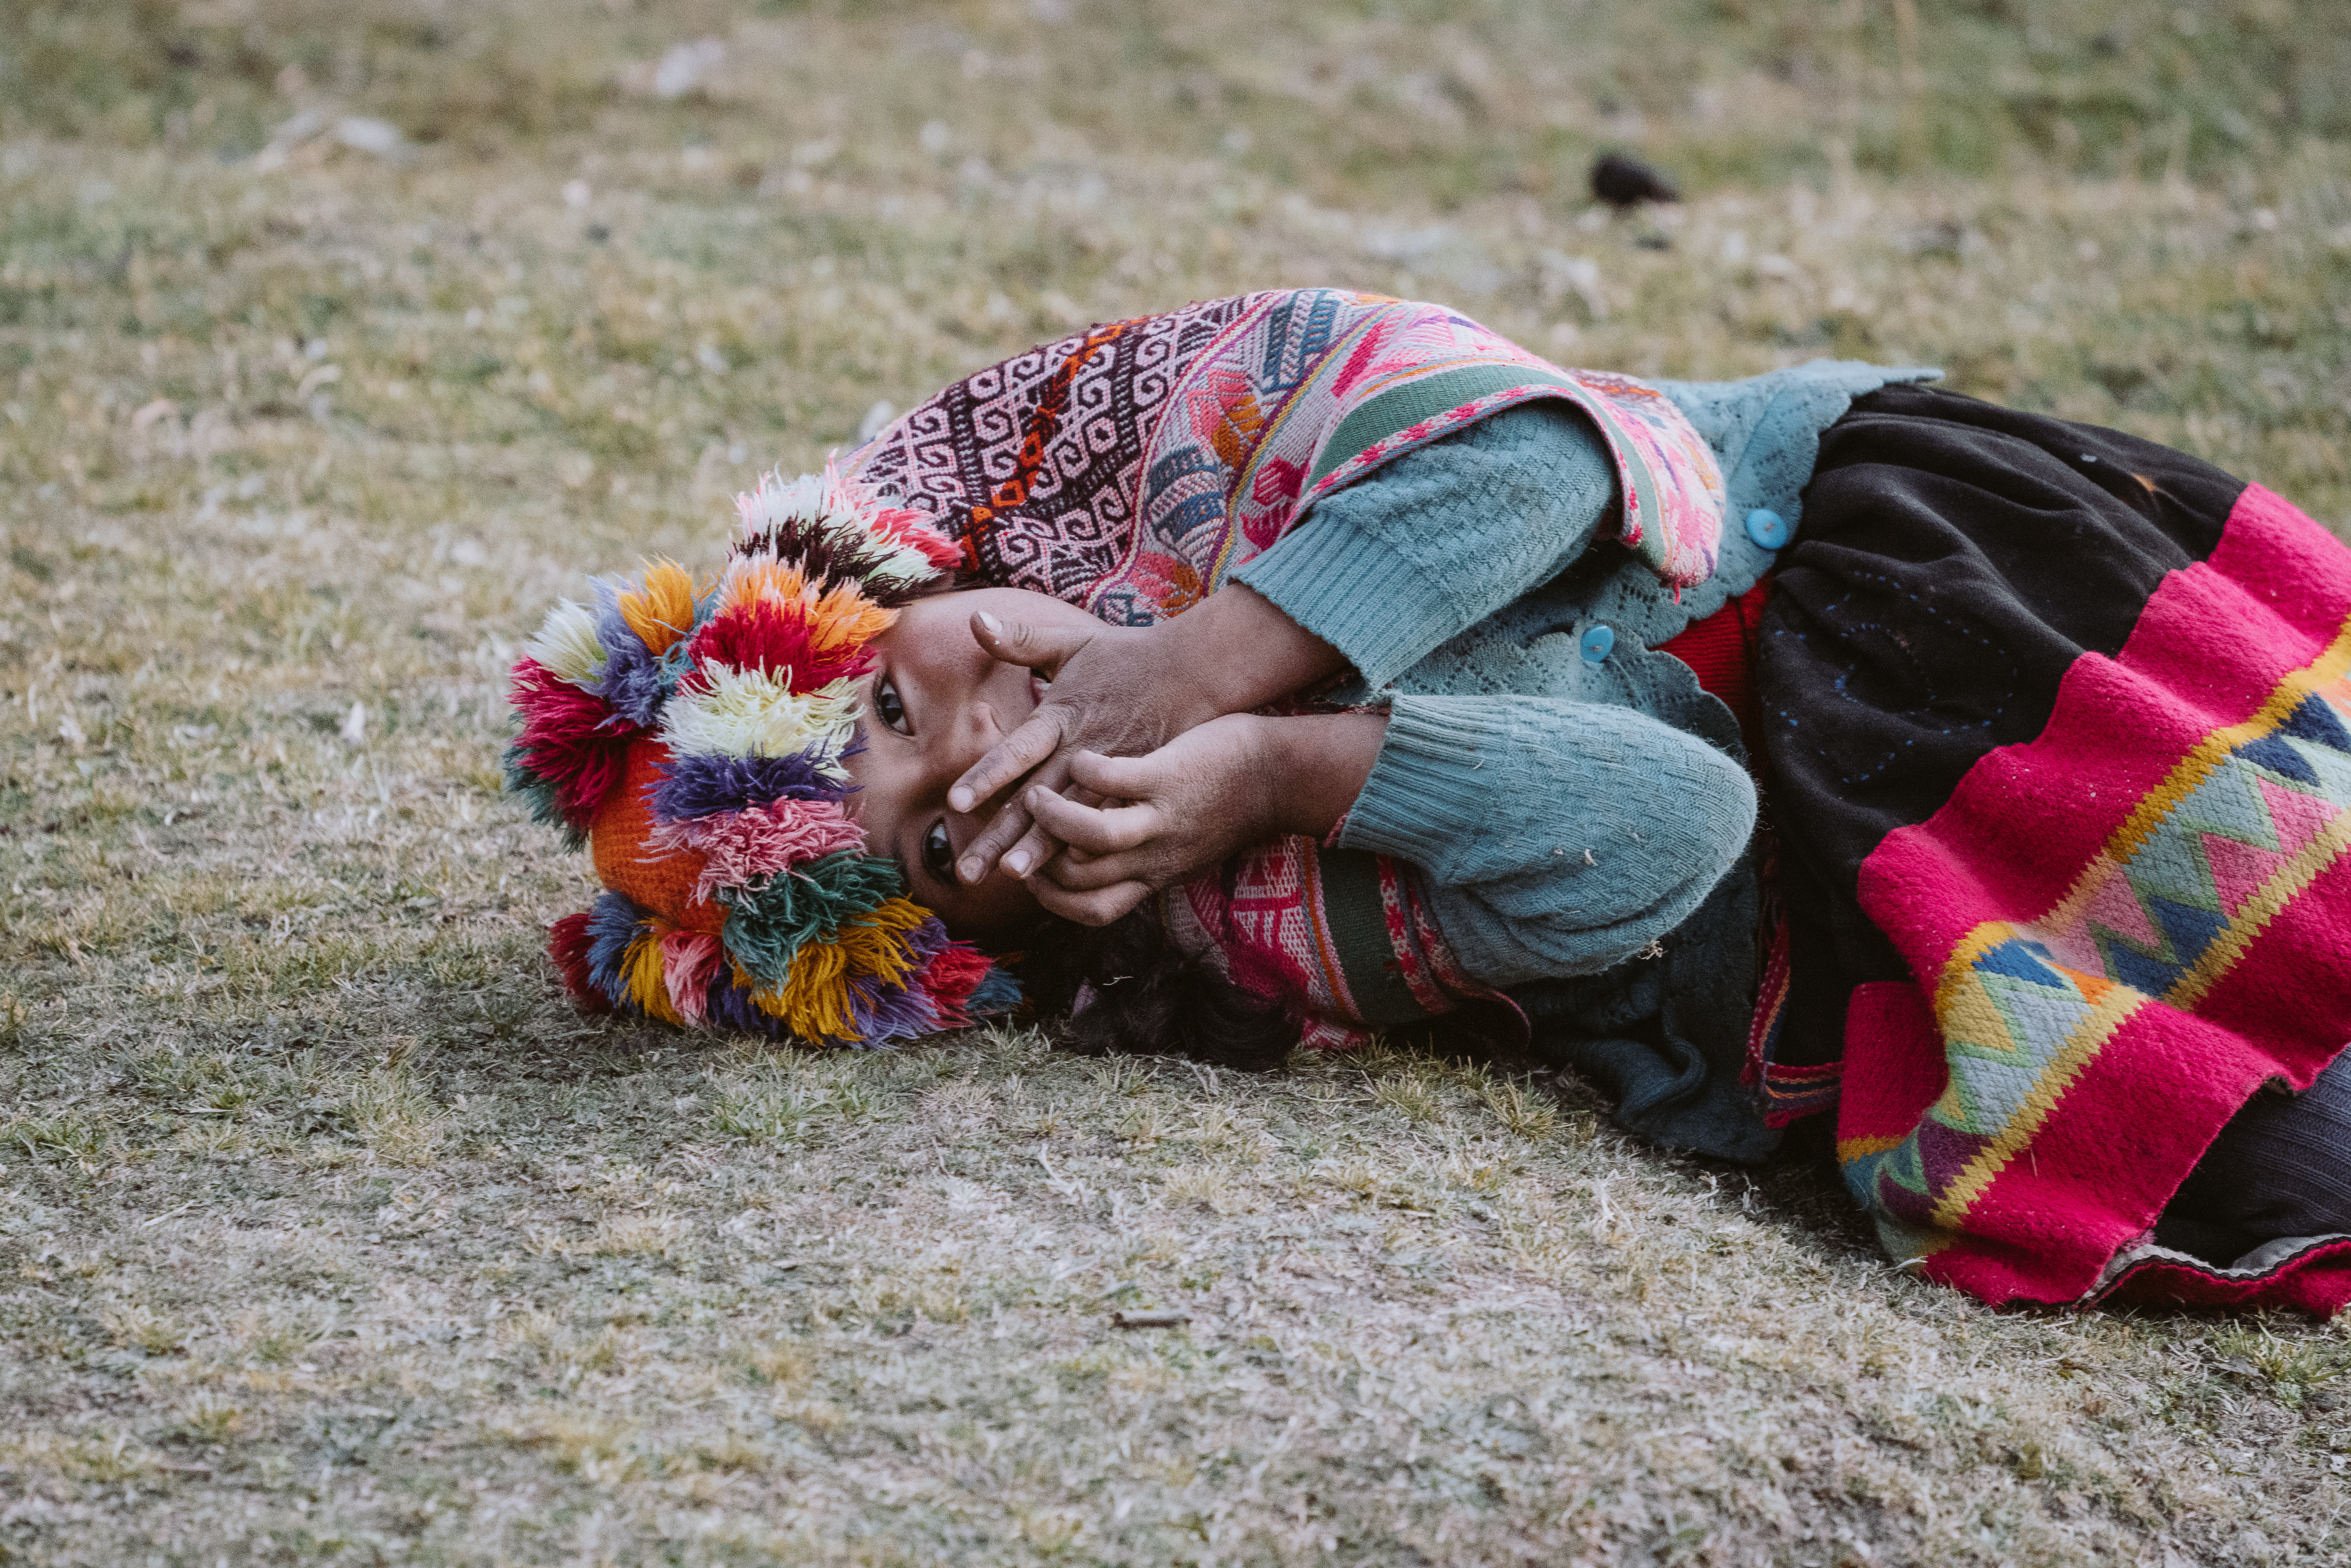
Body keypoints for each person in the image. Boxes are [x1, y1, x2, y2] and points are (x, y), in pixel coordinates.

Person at [507, 288, 2351, 1314]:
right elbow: (1676, 823)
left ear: (895, 580)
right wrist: (1279, 771)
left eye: (898, 700)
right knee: (2259, 1100)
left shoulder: (1152, 448)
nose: (989, 739)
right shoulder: (1231, 908)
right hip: (1830, 896)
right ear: (978, 936)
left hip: (1908, 604)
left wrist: (1205, 660)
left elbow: (1541, 450)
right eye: (937, 835)